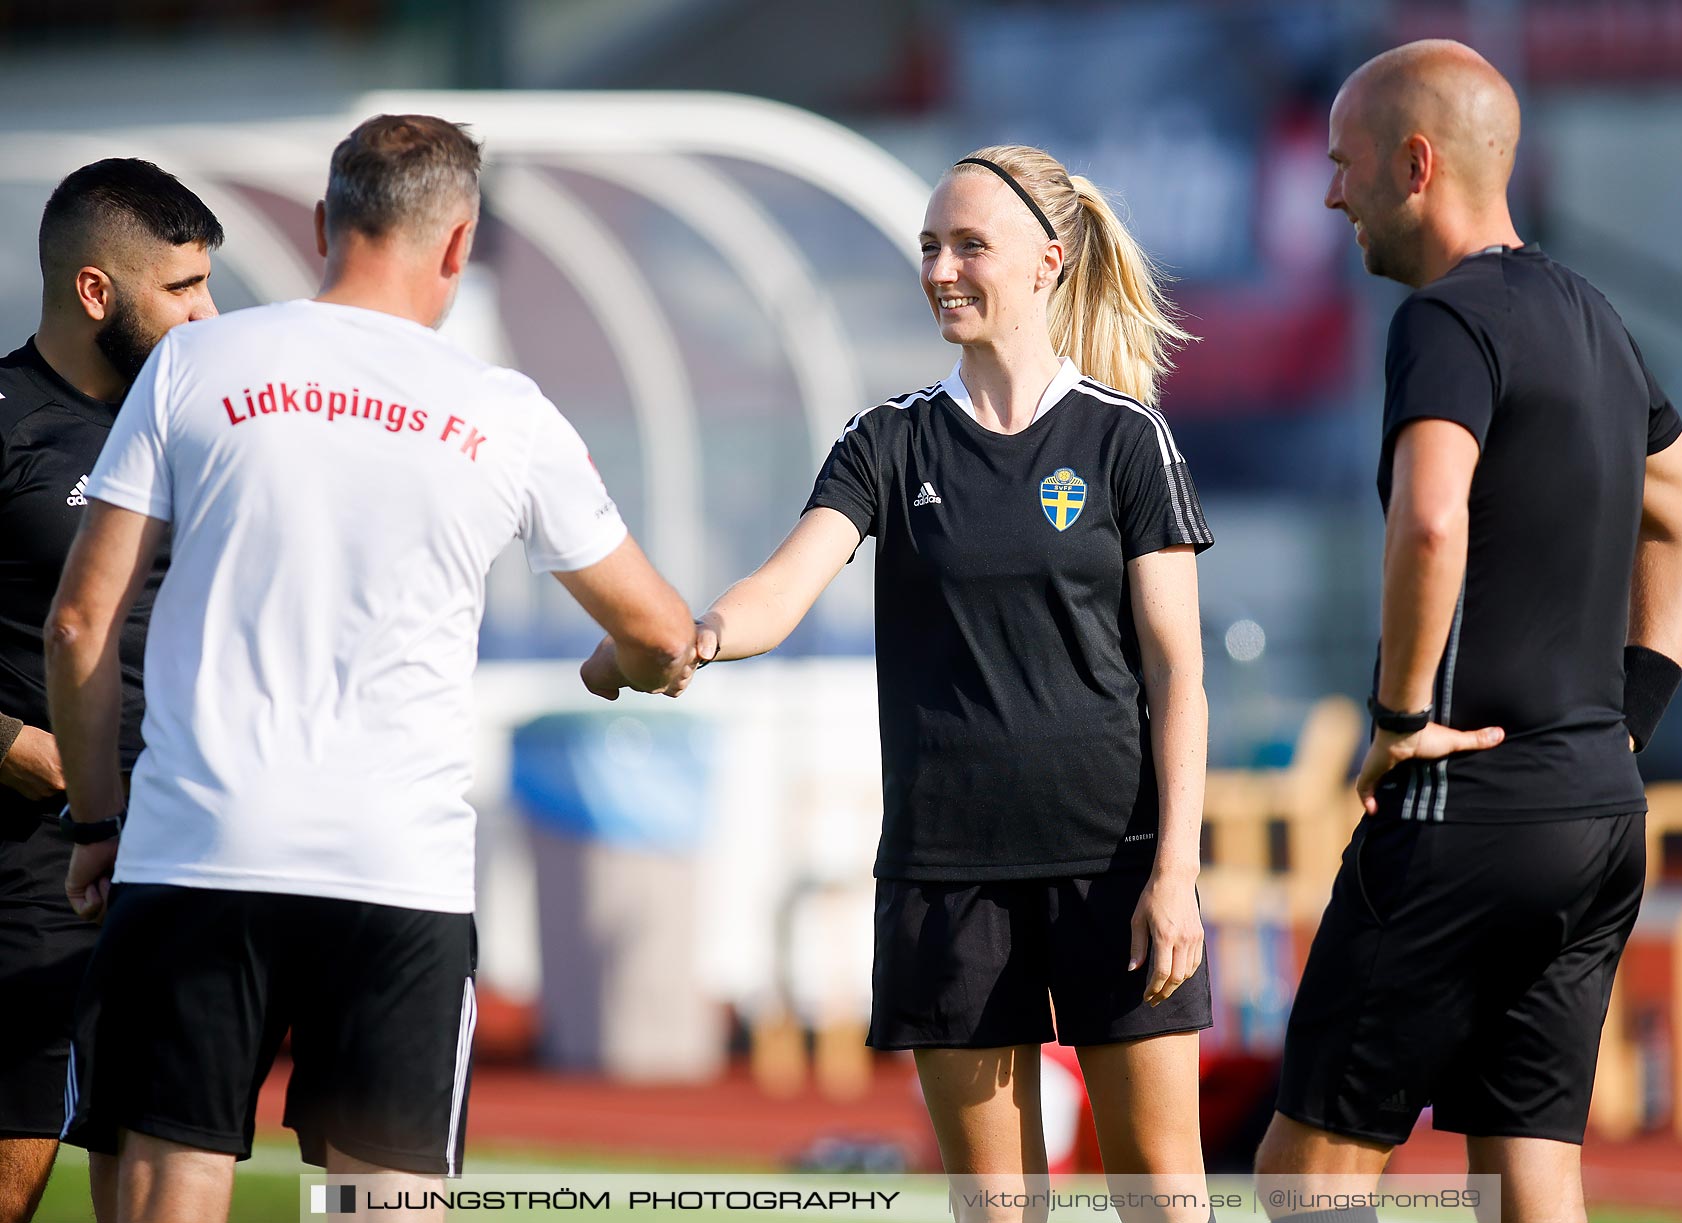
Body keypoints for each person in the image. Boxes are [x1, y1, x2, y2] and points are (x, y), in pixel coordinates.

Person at [46, 114, 695, 1223]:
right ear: (459, 246)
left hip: (201, 846)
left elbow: (79, 623)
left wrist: (99, 820)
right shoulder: (507, 412)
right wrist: (620, 665)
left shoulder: (198, 360)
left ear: (319, 225)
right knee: (382, 1196)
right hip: (398, 872)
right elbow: (661, 629)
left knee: (168, 1183)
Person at [588, 144, 1216, 1211]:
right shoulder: (887, 440)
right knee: (1000, 1201)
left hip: (1117, 863)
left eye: (971, 245)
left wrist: (1174, 874)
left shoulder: (1126, 439)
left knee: (1161, 1188)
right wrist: (690, 636)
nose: (940, 269)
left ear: (1046, 262)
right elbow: (781, 592)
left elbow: (1180, 673)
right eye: (931, 246)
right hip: (947, 872)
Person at [1253, 41, 1682, 1223]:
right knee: (1527, 1171)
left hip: (1463, 807)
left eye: (1344, 164)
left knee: (1306, 1180)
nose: (1328, 194)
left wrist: (1401, 719)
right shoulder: (1592, 315)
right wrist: (1629, 722)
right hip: (1597, 818)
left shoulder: (1445, 321)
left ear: (1417, 164)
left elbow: (1427, 521)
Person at [0, 158, 220, 1223]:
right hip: (31, 862)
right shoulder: (5, 417)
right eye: (182, 288)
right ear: (97, 291)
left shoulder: (201, 427)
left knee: (153, 1180)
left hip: (177, 852)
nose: (207, 311)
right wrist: (16, 742)